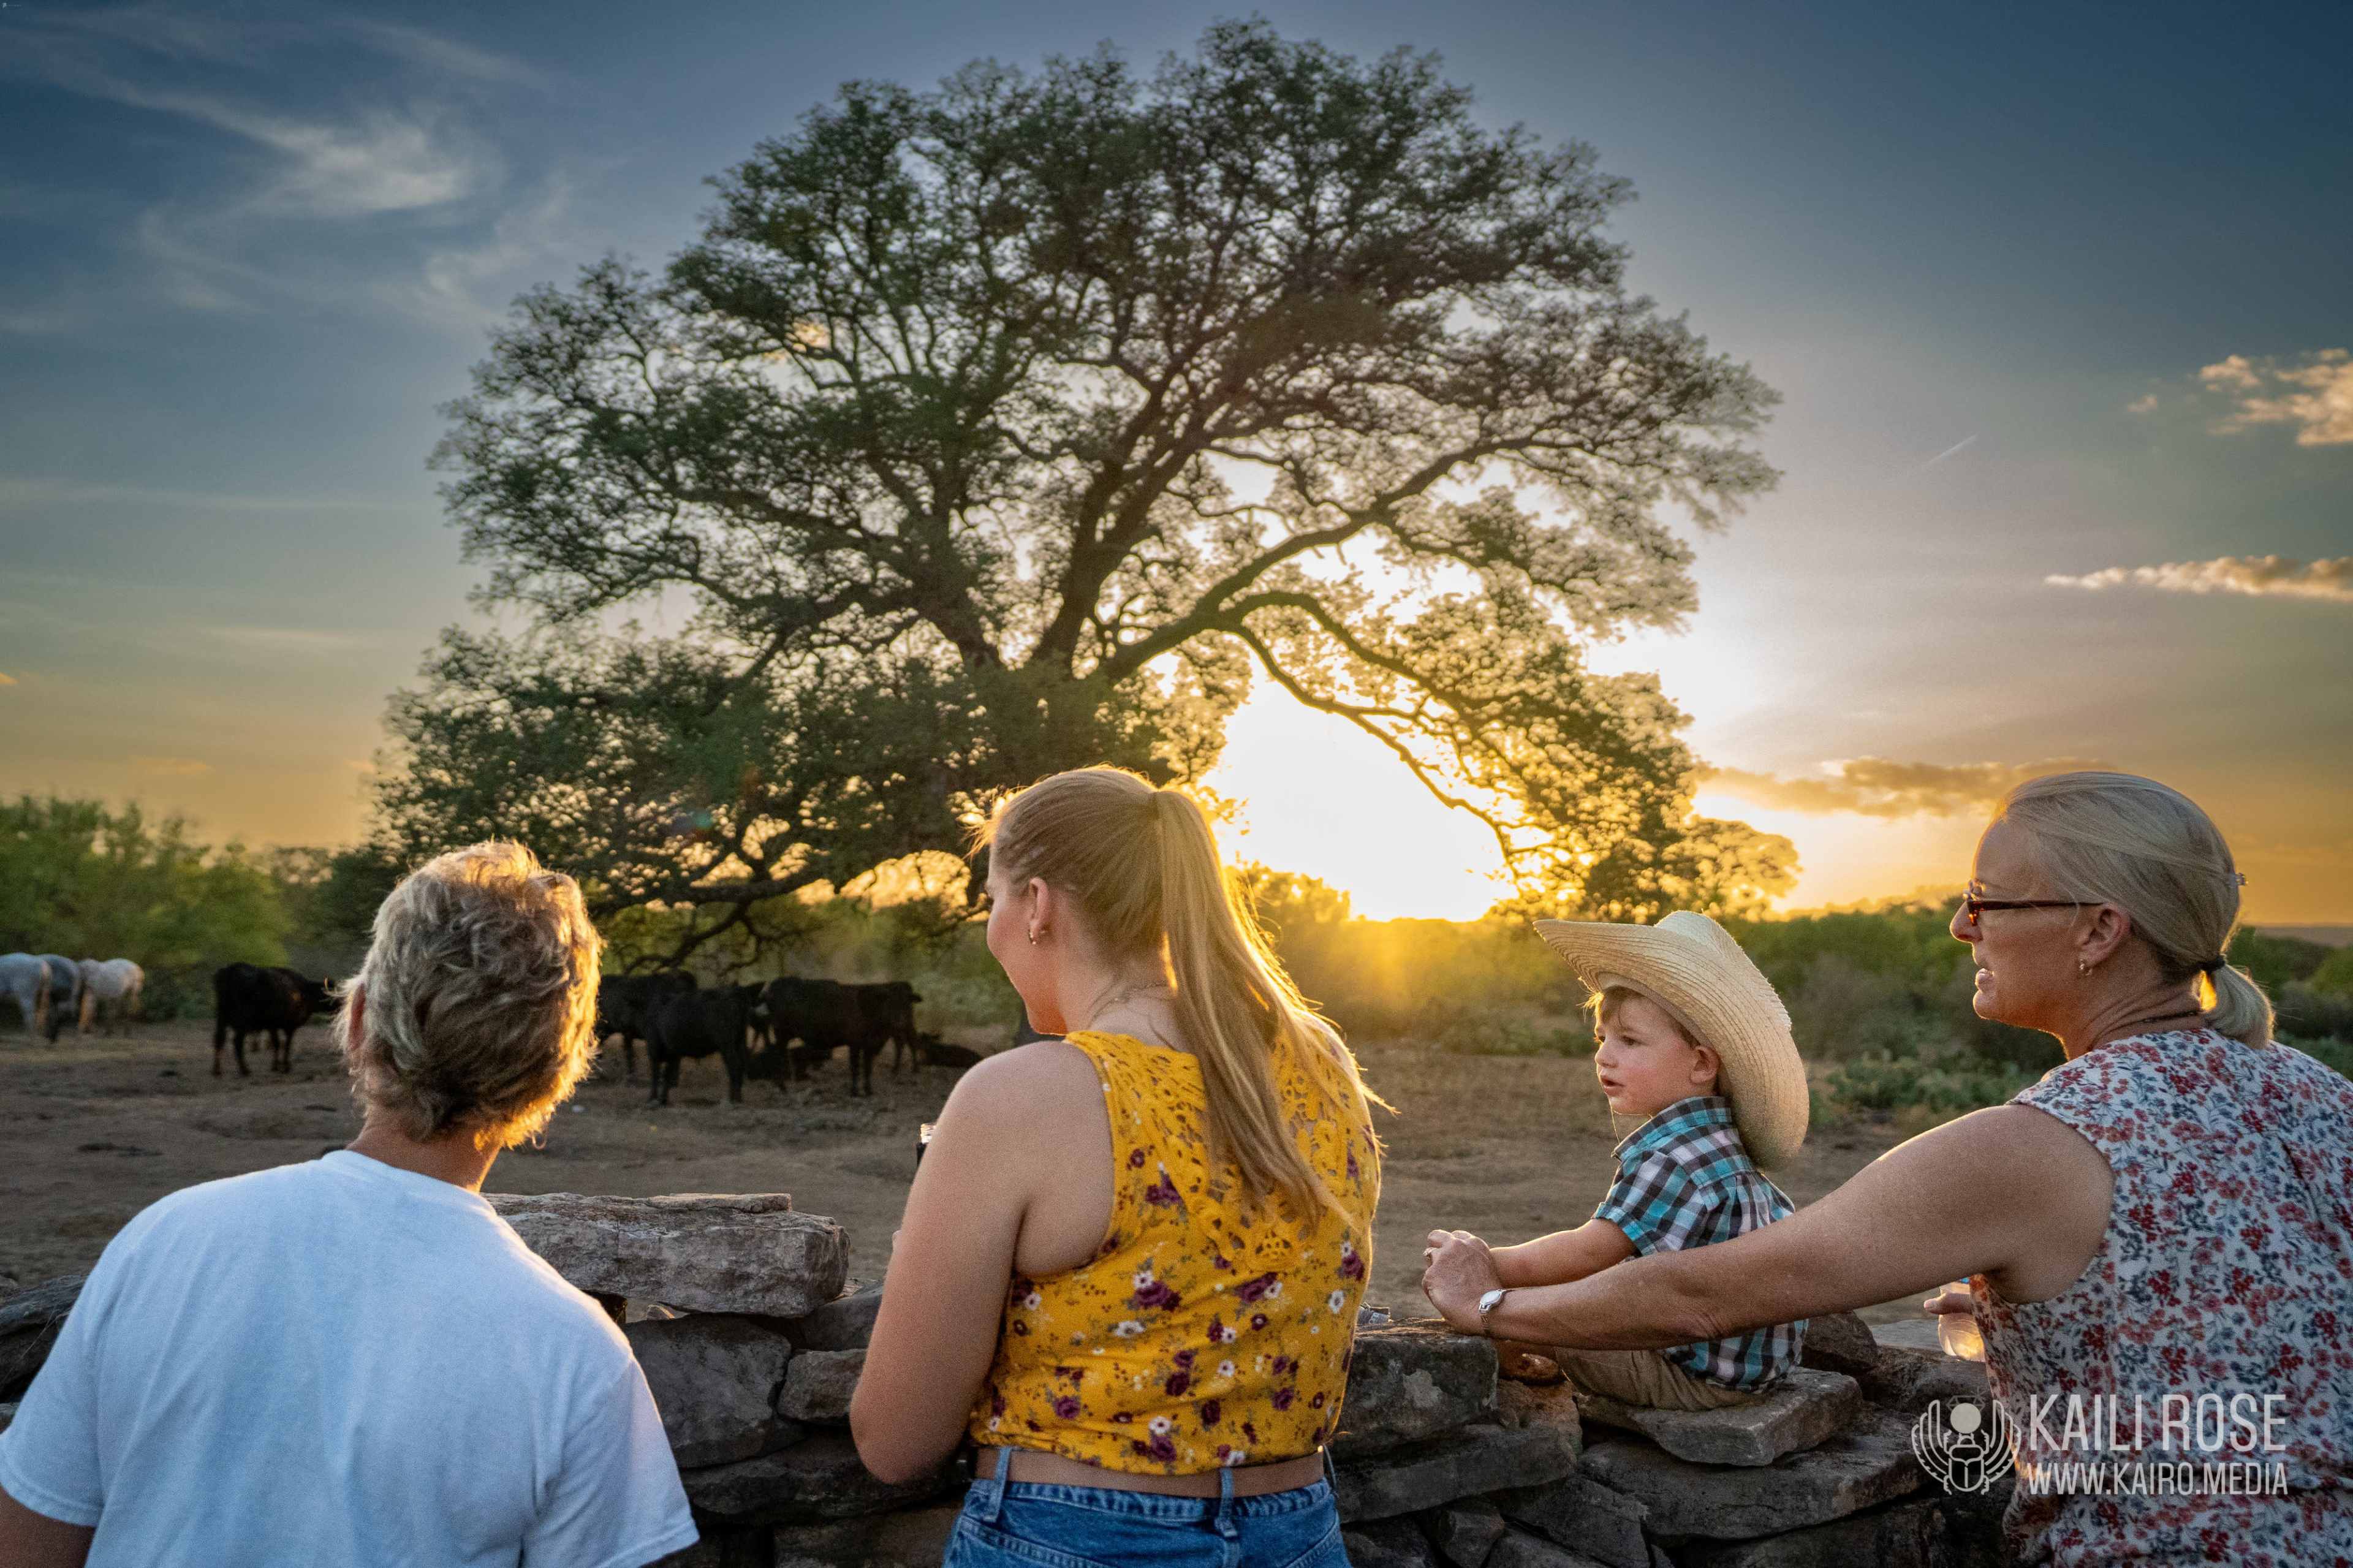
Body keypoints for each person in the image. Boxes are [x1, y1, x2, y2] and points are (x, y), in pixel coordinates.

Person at [1423, 771, 2353, 1567]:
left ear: (2100, 928)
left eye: (1988, 898)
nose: (1960, 924)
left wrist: (1492, 1307)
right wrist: (2054, 1335)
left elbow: (1712, 1294)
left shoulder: (2034, 1142)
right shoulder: (2321, 1094)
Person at [0, 843, 699, 1568]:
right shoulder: (577, 1356)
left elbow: (27, 1539)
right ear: (558, 1073)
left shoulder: (167, 1240)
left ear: (360, 1019)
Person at [849, 767, 1384, 1568]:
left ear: (1036, 905)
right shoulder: (1323, 1063)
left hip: (1069, 1534)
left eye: (991, 899)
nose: (990, 924)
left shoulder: (1022, 1096)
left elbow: (895, 1439)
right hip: (1300, 1532)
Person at [1433, 910, 1809, 1411]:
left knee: (1550, 1317)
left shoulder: (1671, 1157)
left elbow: (1589, 1251)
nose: (1604, 1056)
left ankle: (1518, 1361)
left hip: (1691, 1374)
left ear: (1700, 1063)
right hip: (1746, 1367)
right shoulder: (1721, 1144)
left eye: (1629, 1041)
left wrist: (1481, 1264)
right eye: (1602, 1038)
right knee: (1586, 1293)